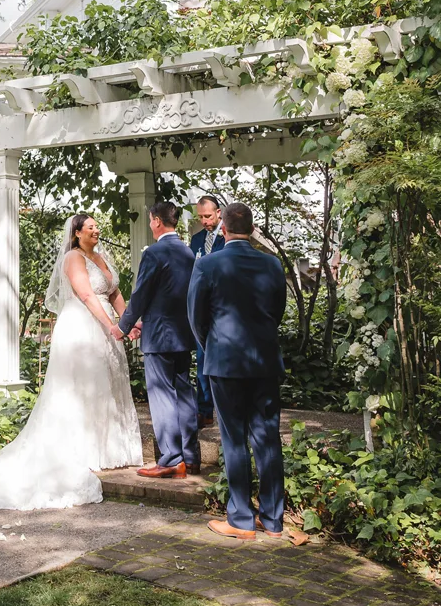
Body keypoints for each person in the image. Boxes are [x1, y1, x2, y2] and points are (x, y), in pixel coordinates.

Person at [0, 213, 142, 509]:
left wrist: (130, 322)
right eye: (91, 226)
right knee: (84, 383)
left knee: (107, 383)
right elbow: (86, 295)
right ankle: (85, 451)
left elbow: (115, 292)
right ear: (77, 233)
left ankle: (110, 450)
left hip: (107, 325)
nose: (96, 230)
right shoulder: (73, 258)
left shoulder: (103, 258)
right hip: (82, 325)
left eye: (97, 226)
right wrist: (111, 325)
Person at [188, 202, 307, 544]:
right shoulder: (271, 264)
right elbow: (277, 310)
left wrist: (211, 347)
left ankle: (241, 519)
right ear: (253, 230)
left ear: (222, 230)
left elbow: (196, 317)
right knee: (268, 438)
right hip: (265, 361)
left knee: (234, 439)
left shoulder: (208, 265)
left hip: (224, 363)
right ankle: (273, 520)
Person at [117, 201, 201, 478]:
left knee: (162, 395)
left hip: (159, 335)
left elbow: (141, 294)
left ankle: (170, 459)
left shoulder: (154, 253)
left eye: (150, 220)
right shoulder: (188, 252)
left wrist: (124, 325)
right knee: (185, 394)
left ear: (156, 221)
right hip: (182, 334)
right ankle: (190, 456)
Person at [187, 194, 225, 424]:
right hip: (203, 307)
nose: (204, 221)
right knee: (202, 360)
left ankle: (223, 409)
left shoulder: (229, 235)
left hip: (223, 307)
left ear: (218, 213)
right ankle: (204, 409)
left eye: (208, 216)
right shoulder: (196, 239)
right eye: (201, 217)